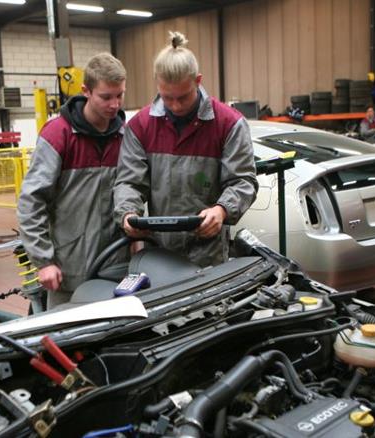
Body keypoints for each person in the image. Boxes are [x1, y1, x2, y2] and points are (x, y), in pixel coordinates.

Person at [114, 31, 257, 268]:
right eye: (167, 97)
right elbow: (129, 182)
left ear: (198, 80)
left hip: (208, 253)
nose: (176, 105)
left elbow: (243, 181)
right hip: (157, 253)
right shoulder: (140, 126)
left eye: (183, 96)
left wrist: (221, 210)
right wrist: (128, 214)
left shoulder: (228, 124)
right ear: (157, 83)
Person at [17, 53, 128, 309]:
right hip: (69, 272)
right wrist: (43, 261)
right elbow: (31, 201)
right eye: (106, 97)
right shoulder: (59, 135)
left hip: (115, 267)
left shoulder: (125, 136)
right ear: (86, 91)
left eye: (120, 95)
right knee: (67, 342)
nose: (114, 104)